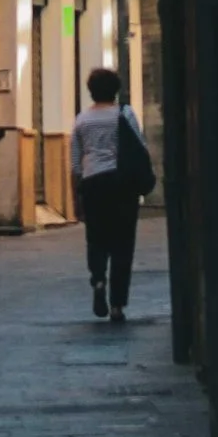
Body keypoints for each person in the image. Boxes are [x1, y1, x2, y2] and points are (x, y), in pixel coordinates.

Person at [71, 65, 145, 321]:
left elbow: (75, 163)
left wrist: (76, 199)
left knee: (97, 239)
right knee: (123, 244)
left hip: (93, 184)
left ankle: (99, 280)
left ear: (91, 91)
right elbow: (139, 145)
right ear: (116, 90)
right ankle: (117, 305)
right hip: (122, 184)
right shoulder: (124, 115)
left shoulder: (82, 120)